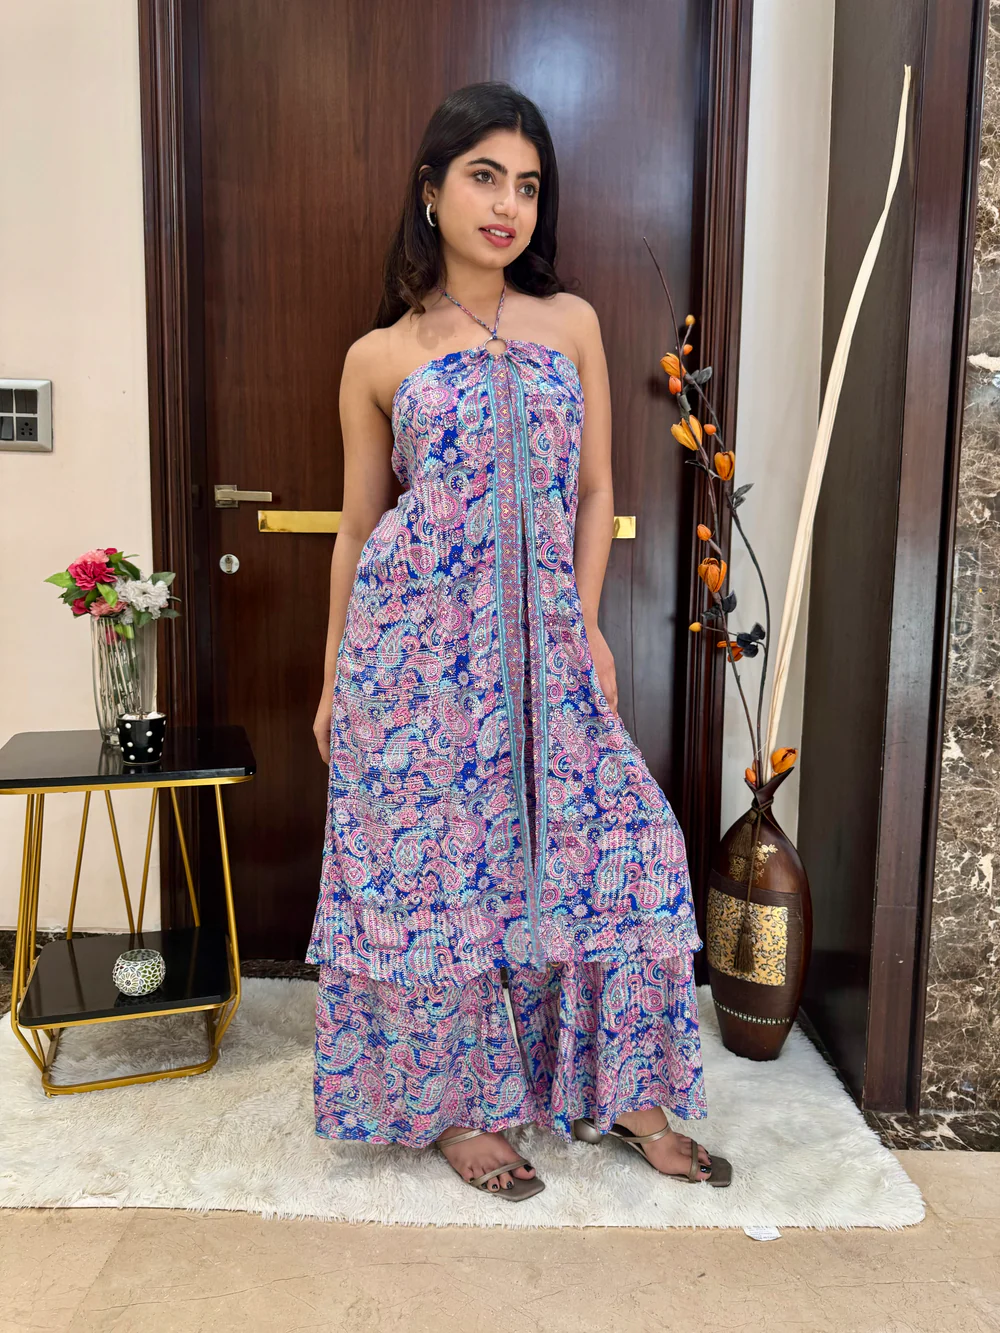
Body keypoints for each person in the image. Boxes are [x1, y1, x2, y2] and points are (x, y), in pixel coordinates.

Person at [308, 80, 731, 1200]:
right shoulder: (378, 356)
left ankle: (625, 1090)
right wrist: (333, 677)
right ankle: (456, 1108)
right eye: (484, 177)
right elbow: (358, 525)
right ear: (431, 190)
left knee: (629, 846)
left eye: (528, 186)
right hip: (413, 659)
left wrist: (583, 623)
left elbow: (596, 494)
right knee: (435, 875)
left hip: (547, 650)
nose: (507, 205)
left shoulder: (570, 323)